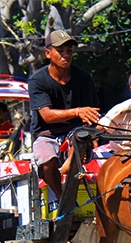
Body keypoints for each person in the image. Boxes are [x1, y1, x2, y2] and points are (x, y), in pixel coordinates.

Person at [28, 29, 100, 199]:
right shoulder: (37, 80)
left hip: (76, 131)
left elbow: (92, 112)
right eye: (61, 51)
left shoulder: (84, 77)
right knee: (47, 162)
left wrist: (94, 133)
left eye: (69, 51)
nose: (66, 55)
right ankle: (63, 199)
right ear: (48, 53)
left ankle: (70, 166)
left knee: (80, 137)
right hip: (46, 134)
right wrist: (77, 111)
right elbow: (46, 115)